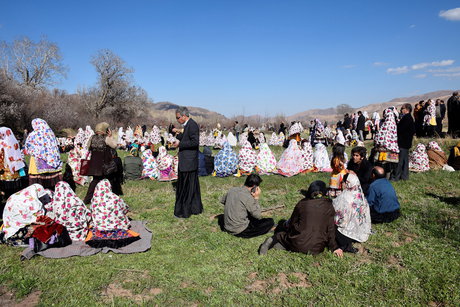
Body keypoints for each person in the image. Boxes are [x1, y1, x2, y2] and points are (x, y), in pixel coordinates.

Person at [258, 180, 343, 257]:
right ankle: (283, 245)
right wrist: (335, 247)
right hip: (317, 248)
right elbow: (331, 229)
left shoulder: (302, 204)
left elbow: (292, 223)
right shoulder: (329, 206)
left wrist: (286, 228)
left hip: (298, 242)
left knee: (281, 234)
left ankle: (273, 240)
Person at [220, 174, 274, 238]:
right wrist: (256, 198)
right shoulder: (248, 197)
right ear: (254, 187)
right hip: (239, 230)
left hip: (226, 227)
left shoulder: (232, 190)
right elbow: (257, 215)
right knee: (270, 222)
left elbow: (223, 201)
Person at [173, 106, 203, 218]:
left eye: (178, 117)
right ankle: (194, 208)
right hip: (186, 161)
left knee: (187, 187)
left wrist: (180, 144)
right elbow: (187, 137)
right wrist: (179, 136)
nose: (177, 120)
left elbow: (195, 142)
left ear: (184, 116)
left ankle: (185, 210)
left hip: (189, 161)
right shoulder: (187, 125)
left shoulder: (193, 125)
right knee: (190, 187)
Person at [83, 122, 122, 204]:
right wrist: (111, 136)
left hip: (94, 164)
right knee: (110, 180)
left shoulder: (92, 138)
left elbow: (88, 147)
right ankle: (112, 197)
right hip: (105, 164)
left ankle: (87, 199)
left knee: (94, 181)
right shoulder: (106, 138)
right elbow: (115, 145)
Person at [332, 173, 371, 253]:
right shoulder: (361, 196)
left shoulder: (344, 197)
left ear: (347, 183)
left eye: (342, 182)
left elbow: (340, 221)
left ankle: (345, 246)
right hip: (360, 230)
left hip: (346, 233)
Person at [25, 118, 63, 190]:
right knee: (52, 182)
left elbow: (28, 147)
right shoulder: (51, 134)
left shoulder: (33, 135)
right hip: (52, 161)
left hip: (37, 159)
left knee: (37, 181)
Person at [0, 127, 27, 212]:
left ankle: (10, 201)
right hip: (12, 167)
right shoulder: (14, 141)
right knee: (12, 187)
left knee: (9, 186)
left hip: (7, 167)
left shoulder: (5, 142)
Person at [391, 104, 415, 181]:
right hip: (406, 143)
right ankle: (404, 176)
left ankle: (395, 177)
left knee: (400, 161)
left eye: (402, 108)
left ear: (406, 110)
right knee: (404, 161)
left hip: (403, 142)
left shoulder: (407, 118)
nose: (401, 110)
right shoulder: (408, 118)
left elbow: (401, 130)